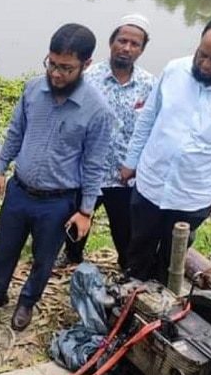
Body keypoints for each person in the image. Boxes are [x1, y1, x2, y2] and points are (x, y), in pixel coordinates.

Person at [0, 24, 113, 331]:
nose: (57, 74)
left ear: (86, 65)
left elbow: (94, 164)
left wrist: (86, 210)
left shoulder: (96, 110)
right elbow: (15, 132)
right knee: (4, 247)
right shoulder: (33, 89)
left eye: (66, 68)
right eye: (52, 64)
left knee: (43, 258)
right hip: (19, 191)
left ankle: (27, 302)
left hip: (58, 201)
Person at [120, 17, 211, 284]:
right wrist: (131, 161)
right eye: (202, 55)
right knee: (138, 244)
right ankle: (129, 293)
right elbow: (149, 118)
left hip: (193, 194)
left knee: (173, 256)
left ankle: (161, 303)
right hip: (150, 182)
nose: (205, 65)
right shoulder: (174, 70)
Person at [57, 14, 156, 270]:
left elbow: (150, 130)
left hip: (124, 176)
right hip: (85, 172)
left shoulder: (149, 85)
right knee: (76, 223)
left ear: (142, 50)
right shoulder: (87, 77)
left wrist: (135, 164)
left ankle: (127, 267)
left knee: (125, 231)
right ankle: (72, 258)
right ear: (111, 42)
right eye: (122, 40)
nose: (127, 48)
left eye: (135, 44)